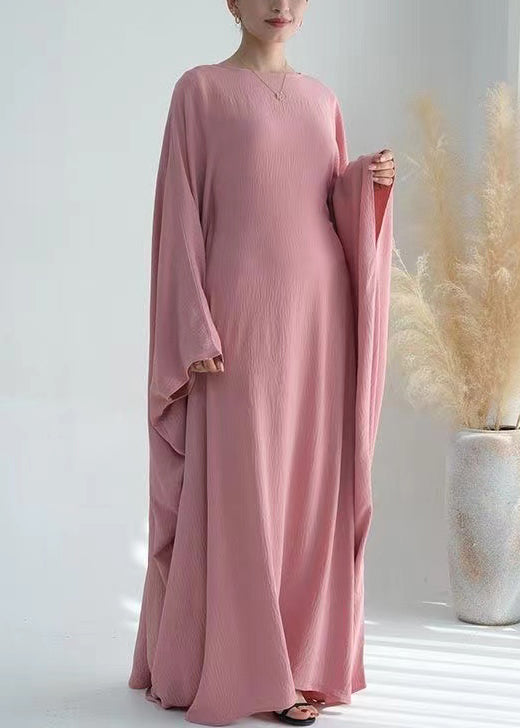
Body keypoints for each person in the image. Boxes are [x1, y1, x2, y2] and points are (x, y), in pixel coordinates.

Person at [128, 1, 396, 725]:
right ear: (232, 2)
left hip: (319, 318)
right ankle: (246, 665)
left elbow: (326, 203)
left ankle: (303, 665)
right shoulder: (199, 91)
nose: (281, 4)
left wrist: (365, 182)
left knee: (309, 489)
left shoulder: (322, 100)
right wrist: (193, 323)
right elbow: (178, 209)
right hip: (238, 320)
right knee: (245, 488)